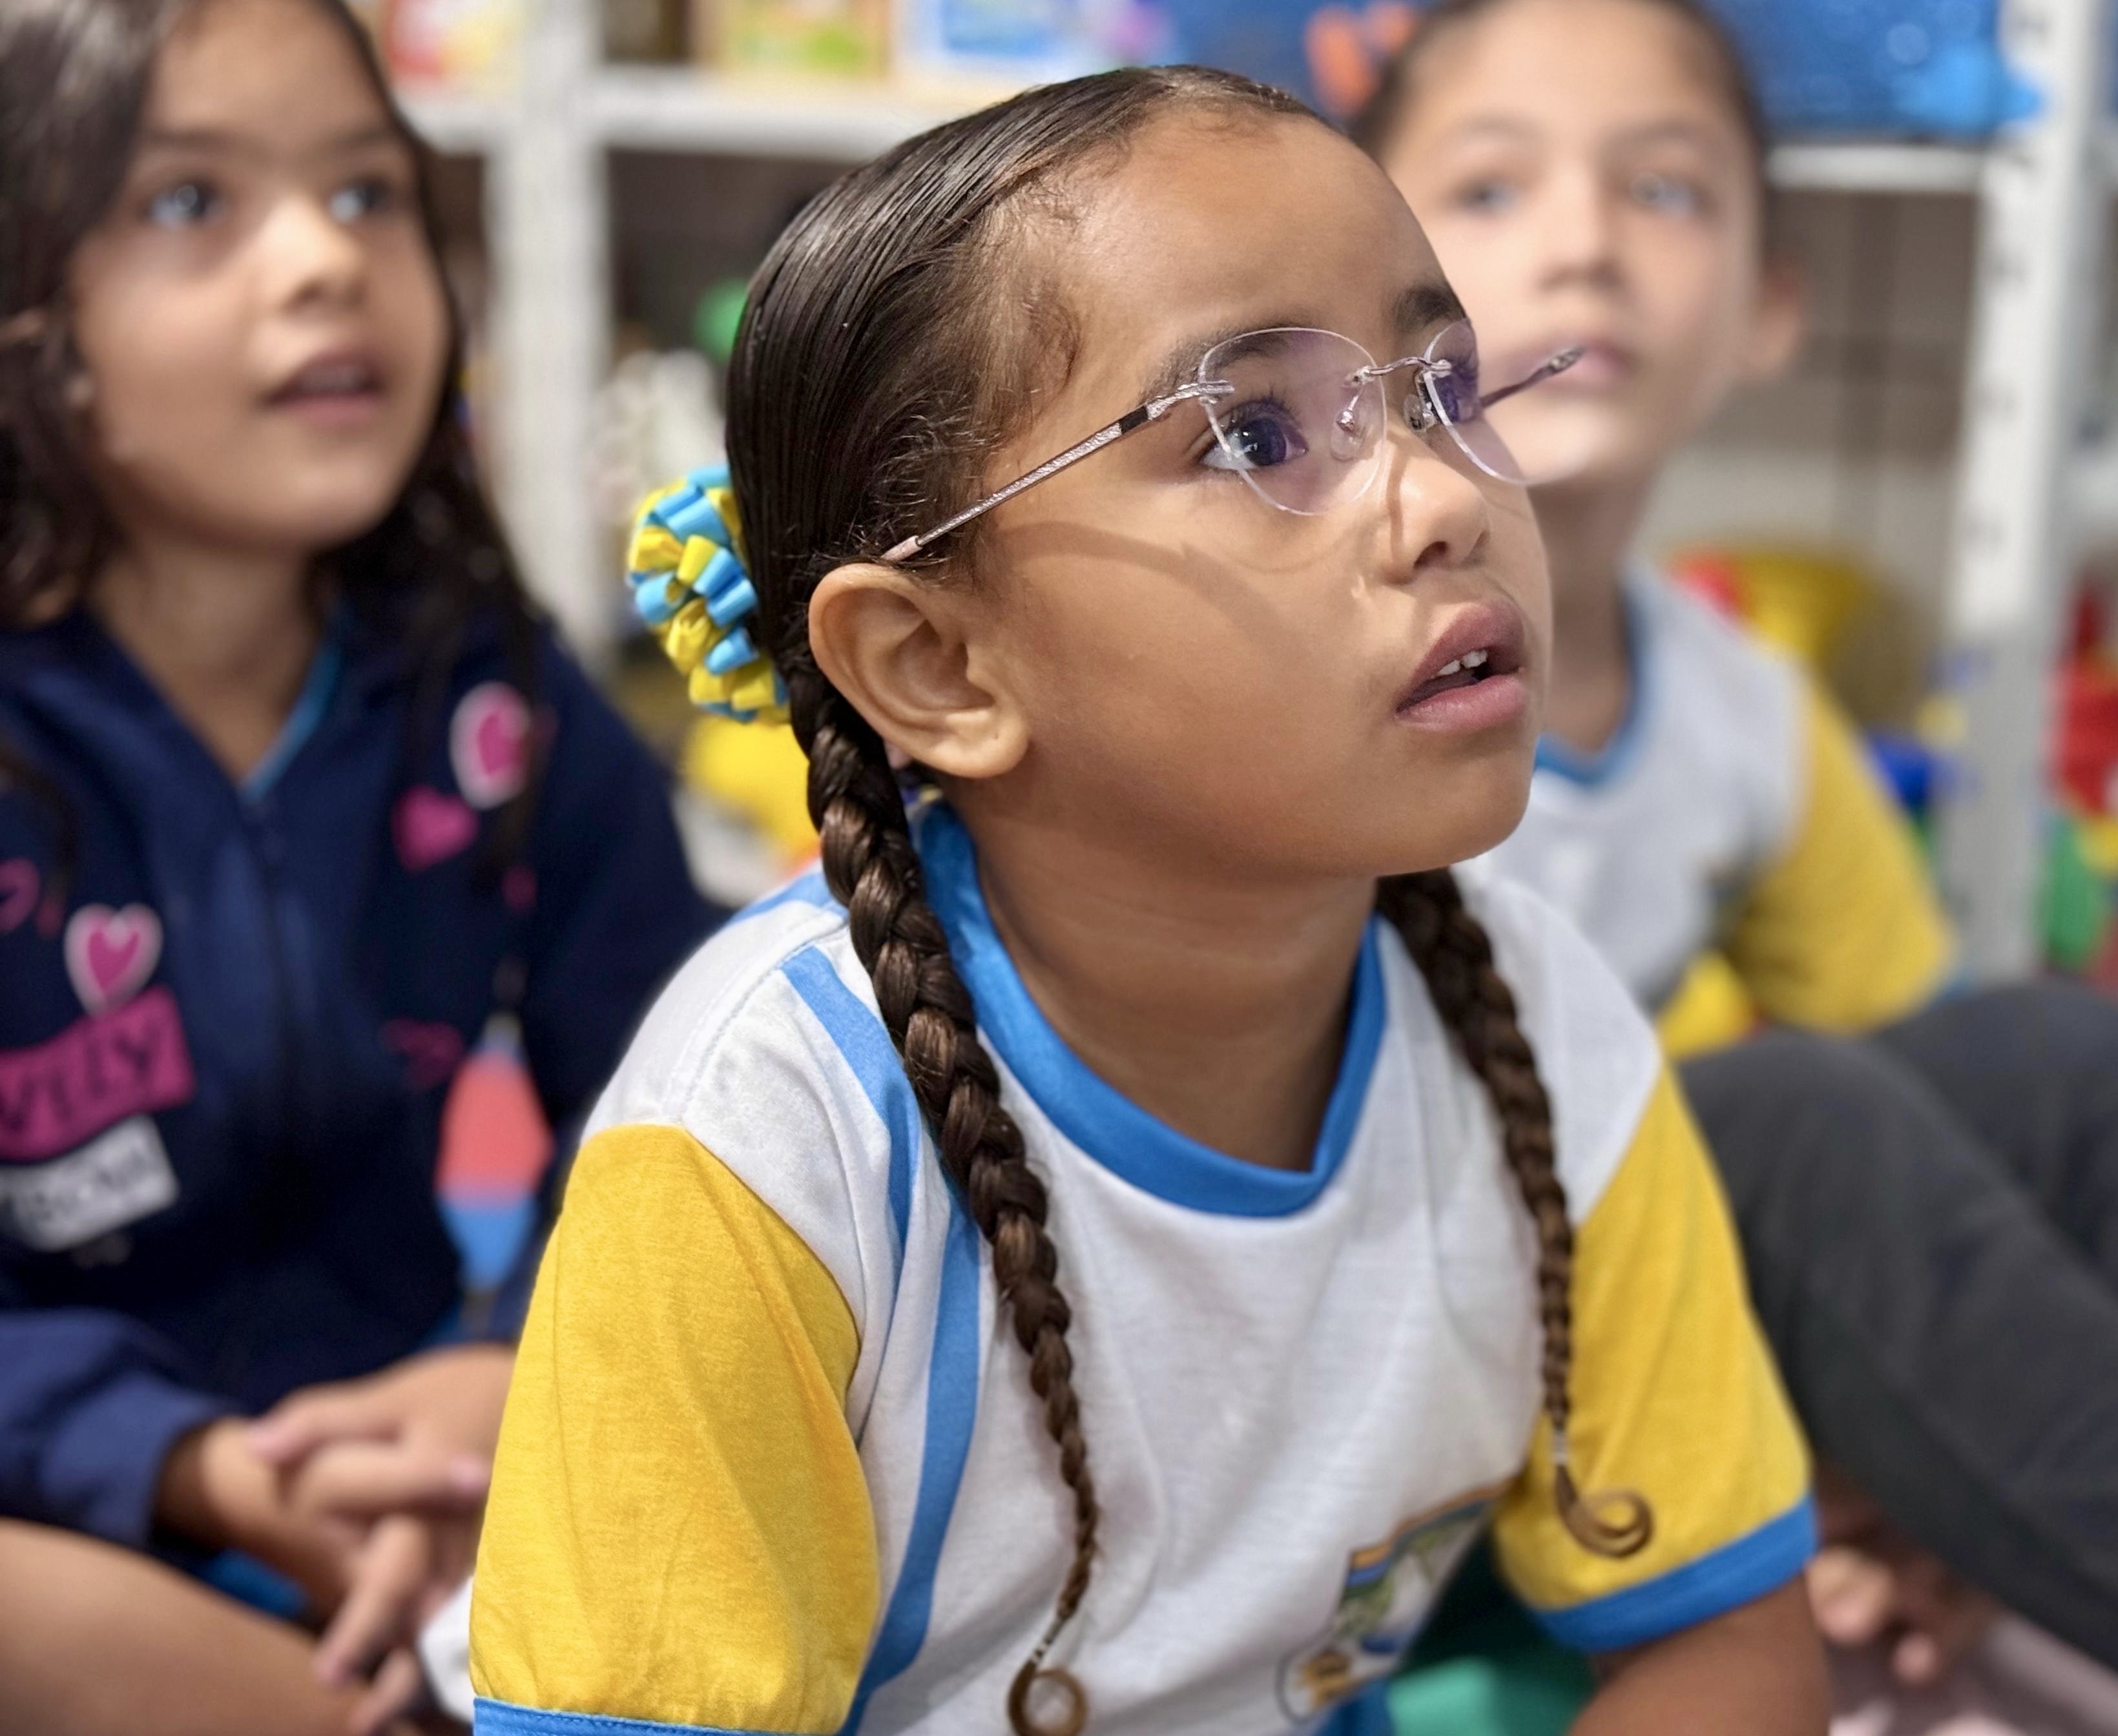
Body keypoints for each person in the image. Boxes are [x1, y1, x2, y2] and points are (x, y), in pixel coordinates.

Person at [466, 64, 1831, 1736]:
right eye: (1255, 435)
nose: (1446, 501)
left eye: (1444, 388)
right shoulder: (766, 1138)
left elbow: (1731, 1650)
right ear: (937, 664)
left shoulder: (1540, 1025)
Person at [1355, 5, 2118, 1736]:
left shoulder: (1736, 711)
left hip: (1616, 1345)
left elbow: (1945, 1126)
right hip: (1383, 1379)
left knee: (2040, 1062)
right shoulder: (1331, 694)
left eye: (1665, 190)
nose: (1583, 244)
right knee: (1772, 1123)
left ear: (1770, 304)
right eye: (1493, 191)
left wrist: (1937, 1470)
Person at [0, 1, 715, 1730]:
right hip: (65, 1509)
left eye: (367, 192)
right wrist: (186, 1466)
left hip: (437, 1483)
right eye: (192, 201)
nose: (326, 257)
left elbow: (689, 1089)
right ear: (30, 327)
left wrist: (514, 1365)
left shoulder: (486, 693)